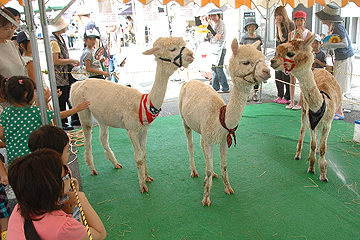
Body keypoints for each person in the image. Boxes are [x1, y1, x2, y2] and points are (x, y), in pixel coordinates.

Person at [7, 148, 107, 240]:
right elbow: (100, 233)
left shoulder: (18, 209)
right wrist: (81, 199)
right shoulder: (64, 228)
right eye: (65, 173)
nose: (69, 176)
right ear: (55, 186)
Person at [0, 75, 90, 166]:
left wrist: (11, 140)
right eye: (34, 92)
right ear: (26, 94)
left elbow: (2, 135)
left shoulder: (6, 113)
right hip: (34, 160)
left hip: (14, 161)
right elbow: (58, 115)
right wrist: (77, 109)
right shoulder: (37, 112)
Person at [316, 4, 354, 120]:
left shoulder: (338, 26)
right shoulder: (334, 26)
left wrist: (328, 45)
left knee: (339, 86)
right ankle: (338, 109)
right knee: (337, 84)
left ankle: (339, 111)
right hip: (339, 58)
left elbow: (345, 43)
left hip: (345, 58)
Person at [50, 16, 81, 130]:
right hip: (59, 75)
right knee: (62, 99)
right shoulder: (53, 41)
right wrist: (71, 60)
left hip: (65, 73)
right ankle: (62, 122)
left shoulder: (59, 38)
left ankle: (72, 119)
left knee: (68, 96)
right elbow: (55, 60)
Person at [286, 10, 312, 110]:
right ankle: (292, 101)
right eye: (297, 20)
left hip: (302, 60)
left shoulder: (308, 33)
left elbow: (307, 47)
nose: (299, 22)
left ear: (304, 21)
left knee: (301, 80)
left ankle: (300, 103)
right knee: (292, 80)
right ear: (295, 21)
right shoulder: (291, 33)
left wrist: (300, 35)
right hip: (293, 59)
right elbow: (289, 46)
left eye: (301, 20)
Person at [273, 6, 294, 105]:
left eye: (280, 15)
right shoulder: (279, 25)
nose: (278, 17)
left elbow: (283, 39)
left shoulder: (289, 24)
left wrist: (278, 26)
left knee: (286, 75)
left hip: (286, 54)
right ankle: (279, 95)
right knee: (278, 74)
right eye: (277, 15)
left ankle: (287, 96)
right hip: (278, 53)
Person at [239, 18, 263, 101]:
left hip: (256, 61)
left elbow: (260, 48)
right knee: (248, 78)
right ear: (246, 28)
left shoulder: (258, 37)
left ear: (255, 27)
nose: (251, 28)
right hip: (247, 62)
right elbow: (241, 49)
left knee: (257, 77)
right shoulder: (244, 37)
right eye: (249, 26)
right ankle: (247, 94)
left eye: (252, 26)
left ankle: (255, 93)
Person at [208, 9, 229, 93]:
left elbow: (218, 37)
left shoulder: (221, 23)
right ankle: (215, 87)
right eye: (211, 15)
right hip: (214, 49)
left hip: (220, 48)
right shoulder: (215, 24)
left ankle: (225, 87)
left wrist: (211, 29)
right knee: (214, 68)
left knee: (219, 68)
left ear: (218, 15)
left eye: (214, 15)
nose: (212, 17)